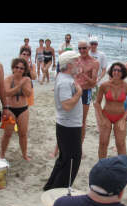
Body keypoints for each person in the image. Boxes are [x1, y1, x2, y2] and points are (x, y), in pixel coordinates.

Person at [43, 51, 83, 191]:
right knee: (73, 160)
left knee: (64, 158)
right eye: (76, 61)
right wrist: (79, 93)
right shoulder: (65, 81)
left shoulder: (63, 76)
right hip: (69, 125)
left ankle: (50, 187)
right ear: (69, 65)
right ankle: (59, 190)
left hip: (66, 124)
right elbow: (66, 105)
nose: (79, 63)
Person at [94, 62, 127, 159]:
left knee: (120, 144)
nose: (116, 72)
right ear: (111, 72)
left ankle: (123, 167)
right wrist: (101, 118)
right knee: (103, 143)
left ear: (123, 73)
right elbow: (97, 103)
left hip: (120, 117)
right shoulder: (104, 85)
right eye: (114, 70)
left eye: (119, 70)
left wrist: (124, 119)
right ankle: (101, 165)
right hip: (106, 116)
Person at [0, 58, 32, 161]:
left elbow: (28, 94)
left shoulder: (27, 79)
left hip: (23, 109)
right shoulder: (8, 79)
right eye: (17, 67)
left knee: (22, 133)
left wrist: (21, 85)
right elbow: (7, 93)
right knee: (7, 134)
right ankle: (2, 154)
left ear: (24, 70)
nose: (19, 70)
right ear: (13, 68)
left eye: (22, 68)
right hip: (10, 109)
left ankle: (24, 154)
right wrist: (19, 85)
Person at [76, 40, 99, 148]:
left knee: (82, 120)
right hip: (74, 90)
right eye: (79, 48)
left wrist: (83, 74)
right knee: (69, 117)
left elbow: (94, 82)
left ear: (89, 48)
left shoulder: (94, 62)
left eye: (84, 48)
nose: (82, 50)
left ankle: (79, 146)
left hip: (85, 92)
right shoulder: (75, 59)